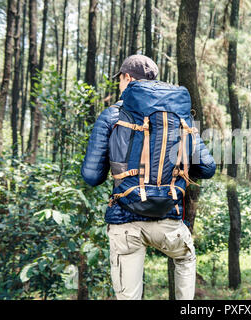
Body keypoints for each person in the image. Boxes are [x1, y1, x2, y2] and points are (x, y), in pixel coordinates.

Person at [81, 55, 216, 300]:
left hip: (125, 223)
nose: (120, 85)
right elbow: (207, 168)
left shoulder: (111, 116)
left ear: (128, 78)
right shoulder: (179, 118)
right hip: (168, 220)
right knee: (185, 258)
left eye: (120, 79)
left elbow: (91, 176)